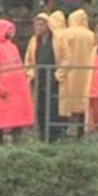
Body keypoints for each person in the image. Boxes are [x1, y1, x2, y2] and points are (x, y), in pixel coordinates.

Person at [0, 19, 34, 144]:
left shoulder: (12, 47)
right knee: (0, 117)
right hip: (2, 89)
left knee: (17, 117)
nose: (11, 33)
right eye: (9, 30)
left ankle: (16, 141)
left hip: (16, 89)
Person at [25, 13, 67, 142]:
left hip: (53, 80)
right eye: (37, 24)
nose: (39, 27)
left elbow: (66, 58)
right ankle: (42, 135)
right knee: (40, 109)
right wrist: (31, 74)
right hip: (38, 79)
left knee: (53, 108)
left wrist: (58, 75)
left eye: (42, 24)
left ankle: (55, 137)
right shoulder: (33, 41)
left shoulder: (58, 39)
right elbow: (28, 59)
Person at [63, 9, 96, 137]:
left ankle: (65, 130)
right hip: (86, 73)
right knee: (83, 101)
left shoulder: (67, 34)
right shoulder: (91, 35)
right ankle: (81, 132)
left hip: (70, 73)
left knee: (67, 101)